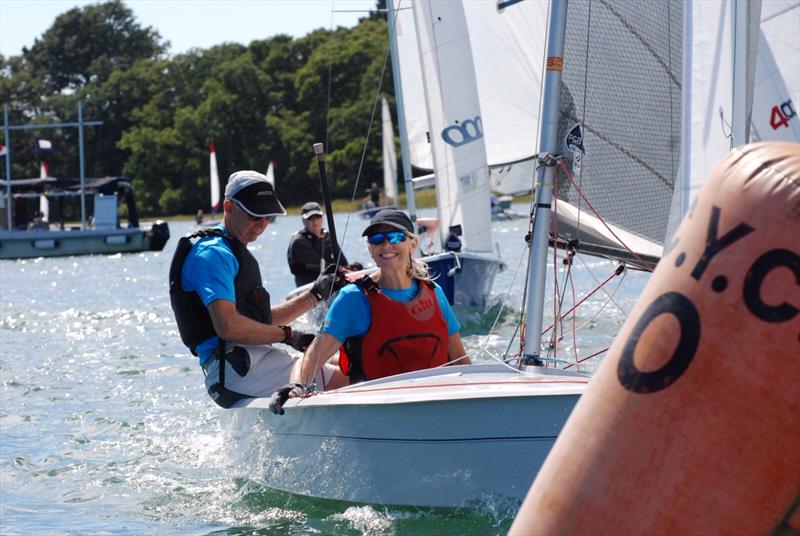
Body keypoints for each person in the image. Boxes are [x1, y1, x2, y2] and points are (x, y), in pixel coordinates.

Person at [168, 170, 347, 409]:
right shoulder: (212, 254)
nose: (262, 225)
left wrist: (316, 294)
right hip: (235, 370)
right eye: (255, 216)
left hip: (252, 360)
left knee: (344, 359)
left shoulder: (231, 248)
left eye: (268, 218)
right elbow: (228, 326)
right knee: (350, 375)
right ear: (229, 207)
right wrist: (288, 335)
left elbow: (261, 319)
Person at [270, 209, 471, 414]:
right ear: (370, 249)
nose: (386, 245)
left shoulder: (434, 292)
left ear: (413, 244)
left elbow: (460, 358)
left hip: (437, 403)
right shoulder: (353, 298)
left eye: (395, 236)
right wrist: (296, 385)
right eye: (376, 238)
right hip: (378, 410)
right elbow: (313, 356)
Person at [286, 201, 356, 287]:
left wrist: (352, 268)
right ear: (303, 220)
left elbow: (343, 262)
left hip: (333, 284)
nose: (315, 221)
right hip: (310, 290)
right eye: (310, 218)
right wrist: (341, 269)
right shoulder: (299, 241)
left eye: (317, 217)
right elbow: (320, 266)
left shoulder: (328, 236)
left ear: (322, 218)